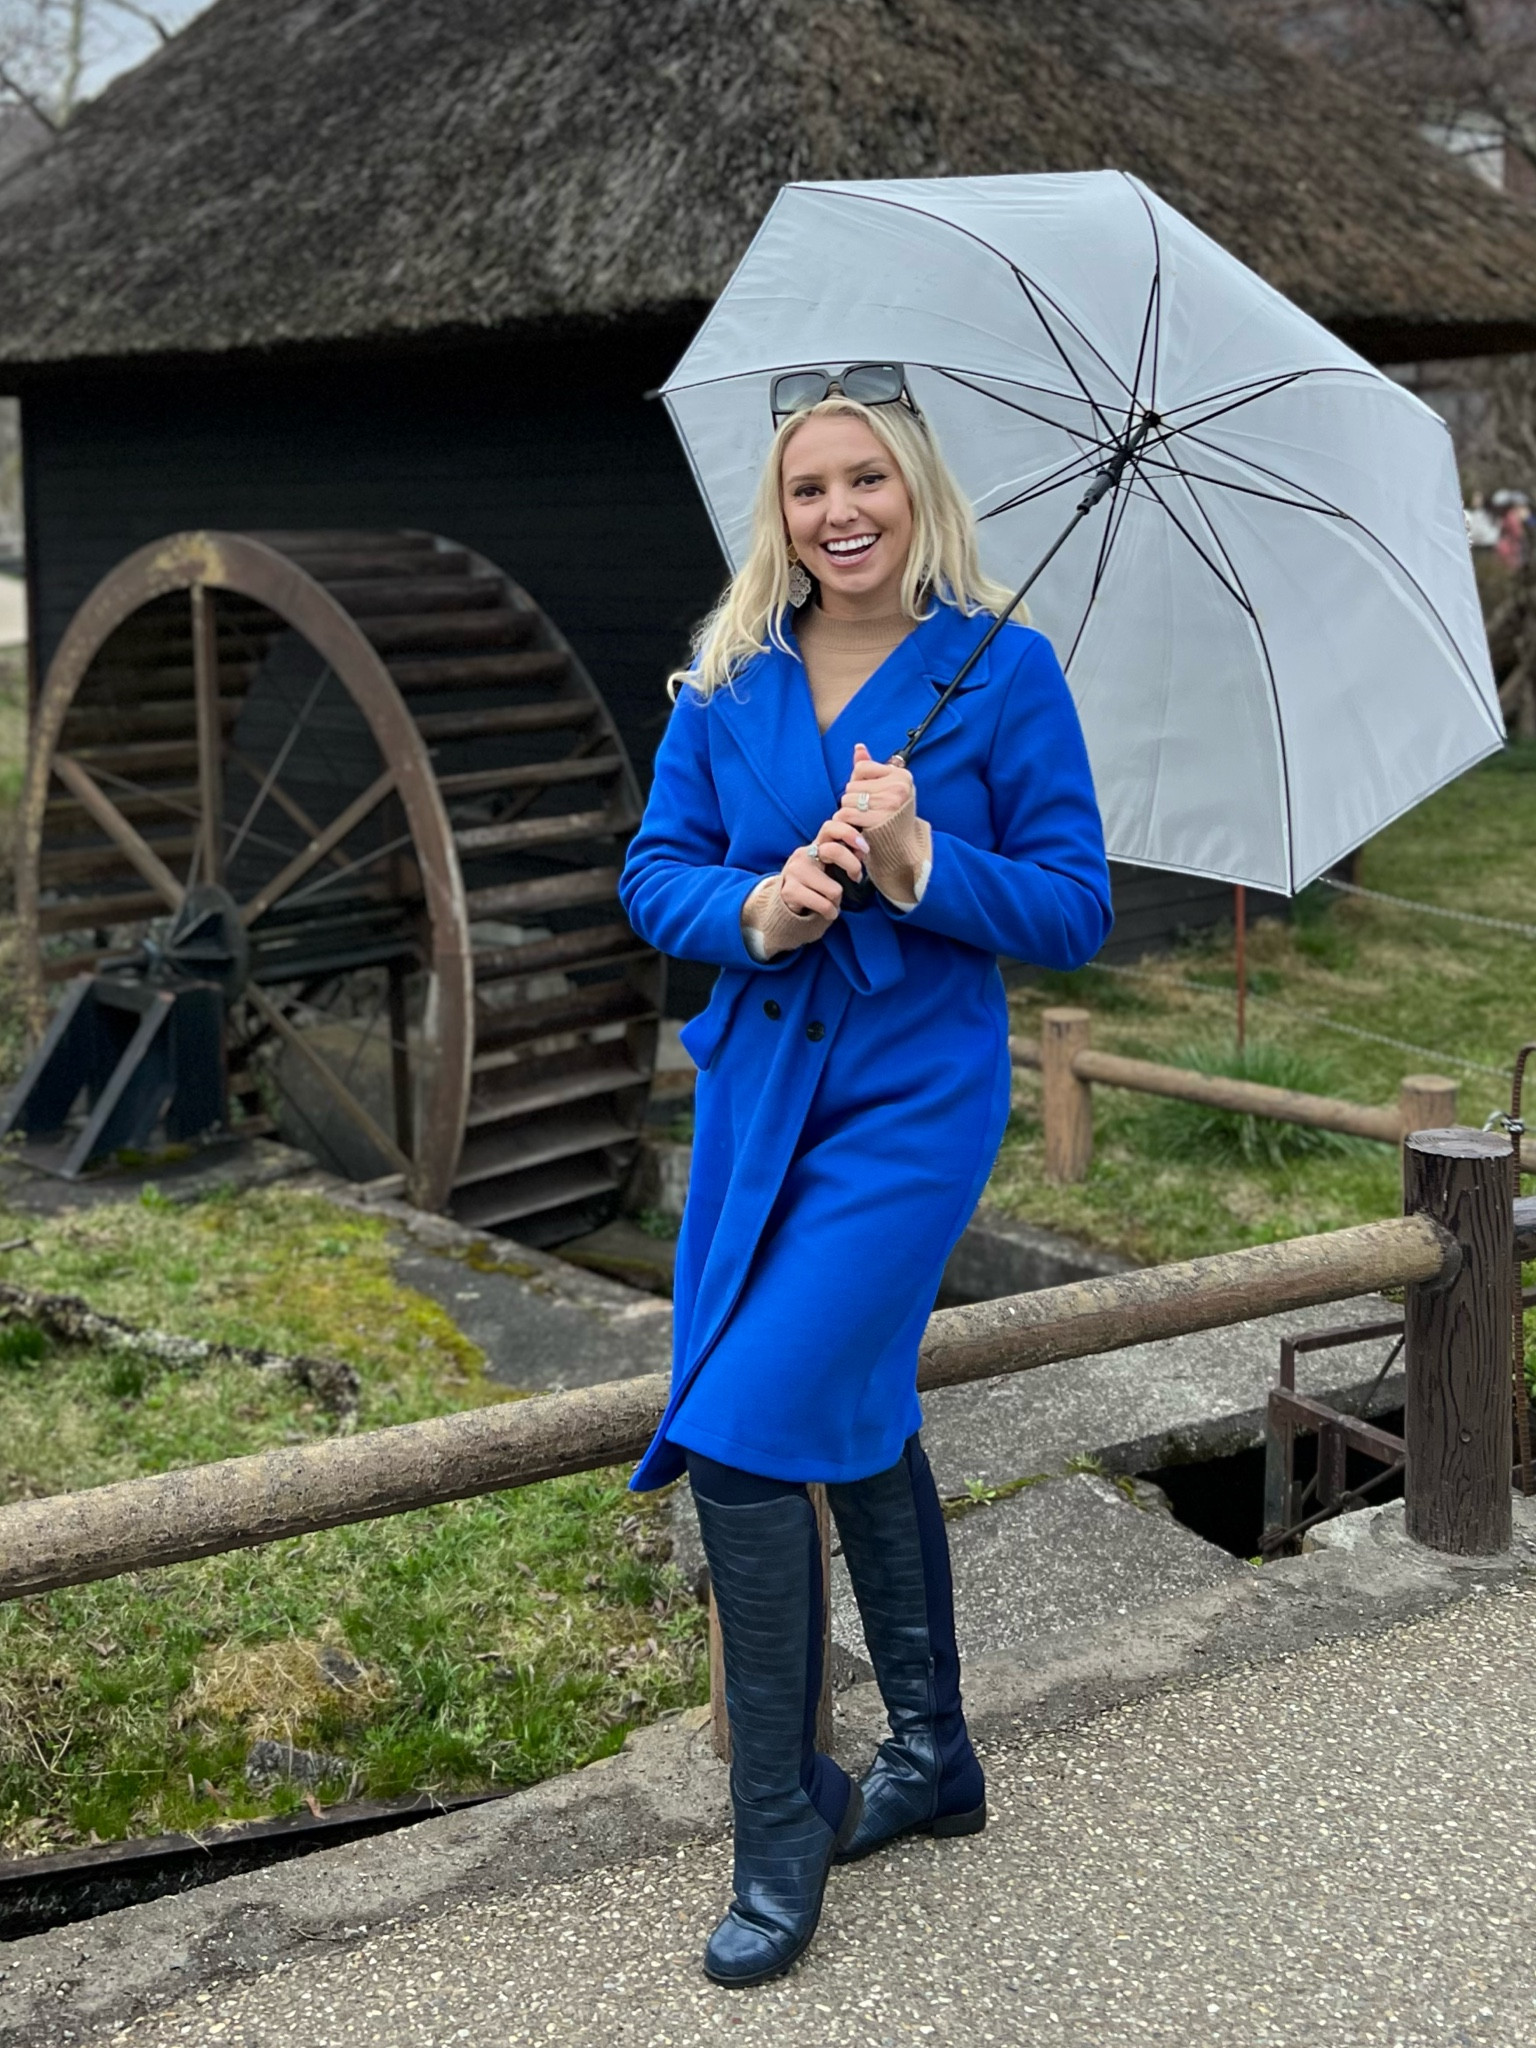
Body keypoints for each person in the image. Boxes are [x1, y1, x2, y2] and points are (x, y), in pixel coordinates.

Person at [618, 372, 1112, 1988]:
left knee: (748, 1436)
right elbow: (655, 874)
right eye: (810, 488)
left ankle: (784, 1829)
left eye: (867, 481)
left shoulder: (1003, 669)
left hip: (911, 1104)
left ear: (917, 493)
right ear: (781, 511)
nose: (840, 513)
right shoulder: (726, 675)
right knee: (863, 1413)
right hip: (761, 1094)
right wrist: (759, 910)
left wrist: (916, 865)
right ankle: (935, 1755)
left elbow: (1073, 909)